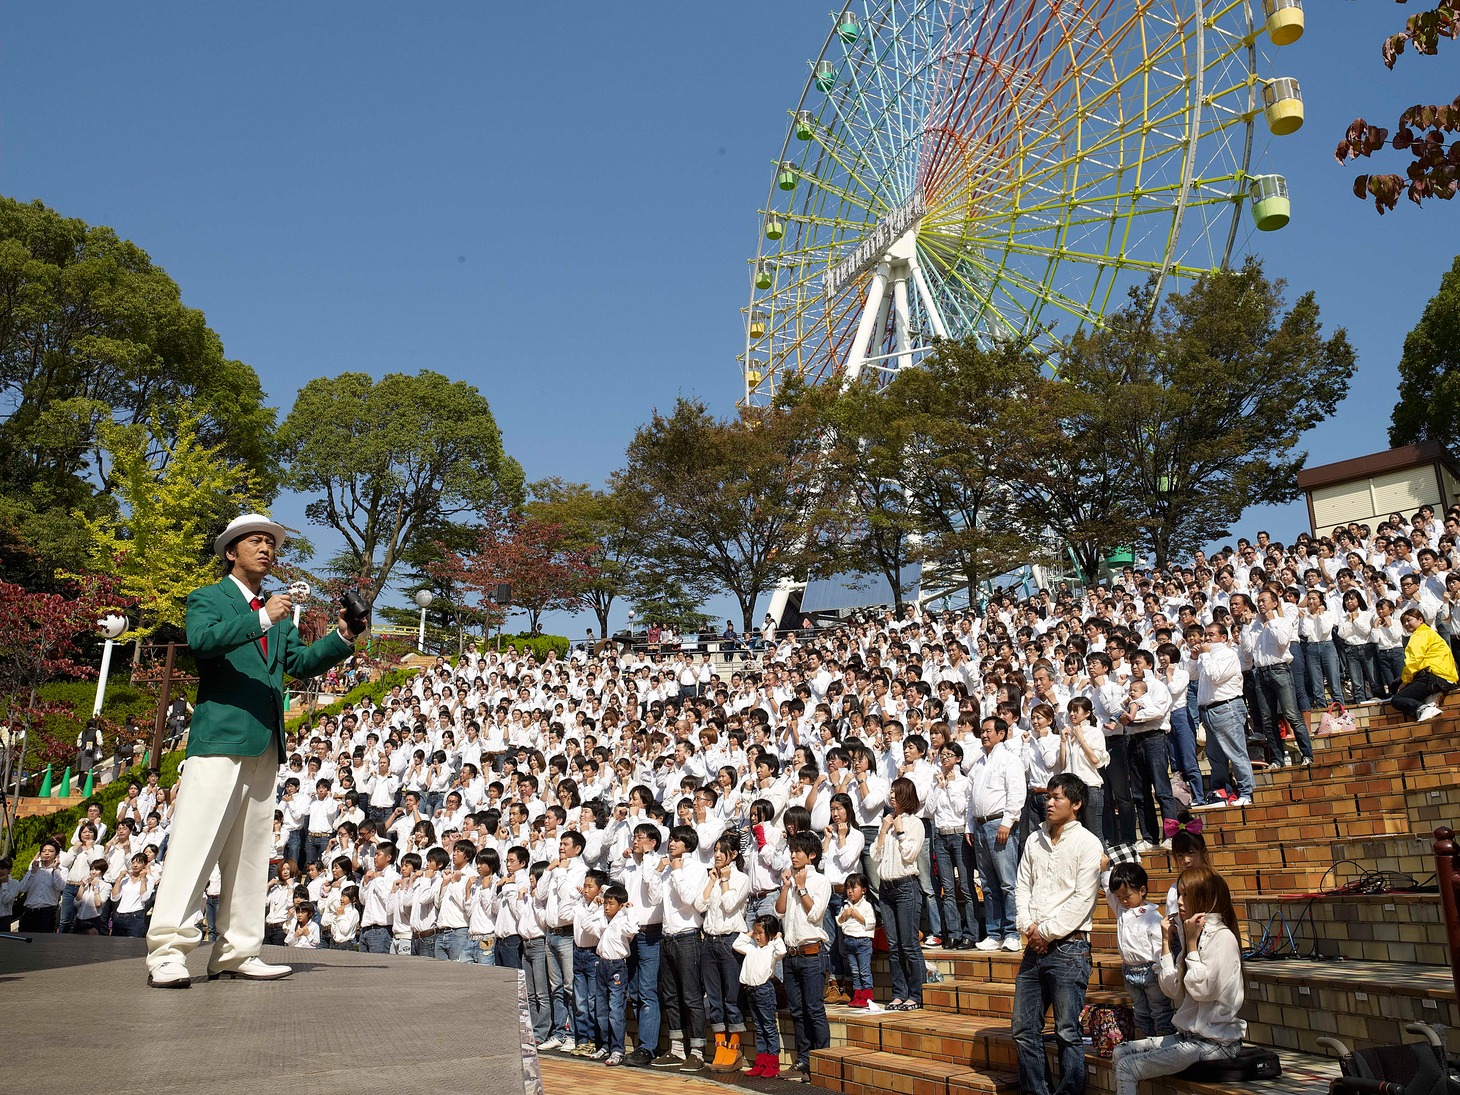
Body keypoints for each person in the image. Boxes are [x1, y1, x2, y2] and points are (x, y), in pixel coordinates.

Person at [145, 513, 361, 989]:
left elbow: (298, 665)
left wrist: (342, 636)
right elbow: (201, 642)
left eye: (270, 543)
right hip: (219, 740)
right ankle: (167, 949)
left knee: (249, 854)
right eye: (255, 541)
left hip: (265, 742)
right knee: (195, 846)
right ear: (230, 552)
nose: (266, 549)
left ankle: (237, 951)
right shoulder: (210, 598)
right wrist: (262, 617)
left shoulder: (278, 614)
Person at [1111, 866, 1246, 1094]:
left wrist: (1191, 947)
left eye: (1186, 895)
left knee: (1127, 1066)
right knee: (1120, 1051)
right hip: (1187, 1036)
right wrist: (1166, 944)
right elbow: (1172, 990)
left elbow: (1203, 991)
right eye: (1179, 894)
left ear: (1205, 898)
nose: (1179, 902)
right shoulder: (1192, 934)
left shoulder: (1222, 938)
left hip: (1215, 1043)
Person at [1011, 773, 1103, 1095]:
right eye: (1048, 796)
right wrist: (1026, 925)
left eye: (1058, 798)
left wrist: (1046, 931)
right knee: (1024, 1029)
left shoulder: (1088, 844)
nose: (1049, 802)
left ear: (1076, 804)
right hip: (1034, 947)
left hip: (1070, 949)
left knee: (1067, 1032)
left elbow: (1083, 899)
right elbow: (1022, 886)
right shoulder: (1033, 840)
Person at [871, 776, 926, 1010]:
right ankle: (899, 993)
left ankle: (917, 993)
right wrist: (884, 830)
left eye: (896, 792)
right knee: (892, 946)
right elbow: (874, 855)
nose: (891, 795)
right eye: (891, 792)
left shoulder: (915, 823)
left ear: (906, 795)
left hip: (906, 887)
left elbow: (910, 855)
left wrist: (901, 832)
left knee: (909, 944)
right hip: (886, 888)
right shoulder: (888, 821)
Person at [1102, 860, 1174, 1036]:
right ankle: (1144, 1047)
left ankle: (1163, 1047)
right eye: (1119, 897)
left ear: (1142, 891)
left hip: (1150, 972)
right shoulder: (1121, 909)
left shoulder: (1153, 917)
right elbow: (1108, 891)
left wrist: (1159, 971)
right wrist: (1105, 870)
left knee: (1160, 1012)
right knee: (1140, 1014)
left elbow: (1159, 945)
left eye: (1127, 895)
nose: (1123, 900)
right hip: (1129, 971)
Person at [735, 913, 787, 1079]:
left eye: (760, 933)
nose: (757, 936)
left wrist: (776, 936)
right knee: (759, 1027)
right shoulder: (752, 949)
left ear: (769, 934)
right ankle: (761, 1061)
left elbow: (782, 951)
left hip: (764, 990)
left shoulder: (772, 949)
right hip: (750, 990)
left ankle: (773, 1062)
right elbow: (737, 944)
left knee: (769, 1027)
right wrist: (750, 933)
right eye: (755, 933)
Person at [1390, 606, 1458, 722]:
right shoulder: (1430, 633)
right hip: (1447, 678)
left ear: (1420, 619)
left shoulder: (1419, 634)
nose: (1406, 624)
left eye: (1409, 620)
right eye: (1404, 622)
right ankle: (1430, 698)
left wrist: (1404, 681)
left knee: (1397, 698)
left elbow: (1414, 661)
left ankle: (1425, 708)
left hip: (1433, 676)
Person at [836, 872, 876, 1008]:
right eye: (848, 888)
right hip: (849, 941)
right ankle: (857, 994)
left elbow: (871, 923)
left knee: (864, 970)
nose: (850, 891)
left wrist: (858, 916)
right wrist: (844, 915)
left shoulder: (866, 906)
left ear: (863, 890)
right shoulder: (846, 905)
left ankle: (867, 995)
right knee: (854, 970)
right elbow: (839, 922)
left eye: (854, 888)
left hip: (863, 941)